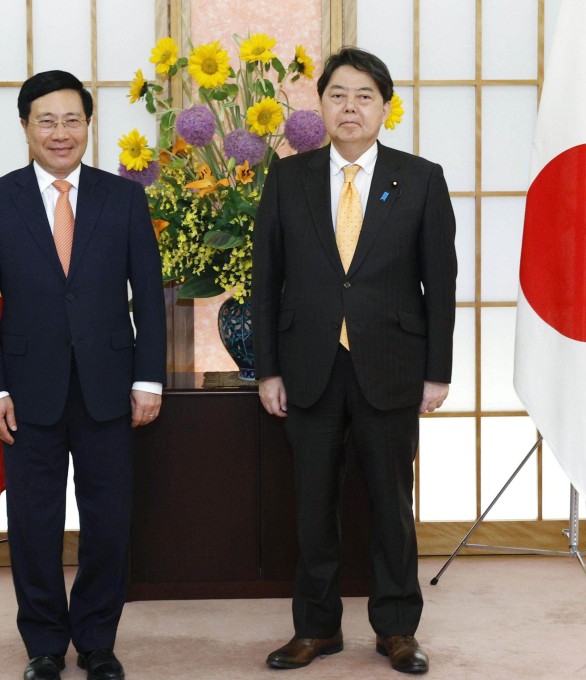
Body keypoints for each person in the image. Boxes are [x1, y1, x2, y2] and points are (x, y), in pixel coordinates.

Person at [253, 47, 456, 675]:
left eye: (364, 95)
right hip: (310, 364)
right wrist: (268, 368)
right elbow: (267, 280)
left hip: (391, 364)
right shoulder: (288, 178)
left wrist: (438, 371)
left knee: (392, 506)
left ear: (385, 108)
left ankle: (397, 629)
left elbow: (439, 283)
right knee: (312, 504)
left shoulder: (421, 177)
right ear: (321, 104)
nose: (350, 106)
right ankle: (315, 629)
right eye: (338, 94)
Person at [0, 70, 167, 680]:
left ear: (88, 125)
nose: (61, 133)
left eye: (72, 120)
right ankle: (45, 645)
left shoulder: (123, 197)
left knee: (108, 521)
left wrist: (149, 379)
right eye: (46, 121)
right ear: (25, 126)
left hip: (110, 385)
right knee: (33, 524)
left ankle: (99, 641)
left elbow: (149, 297)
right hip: (26, 392)